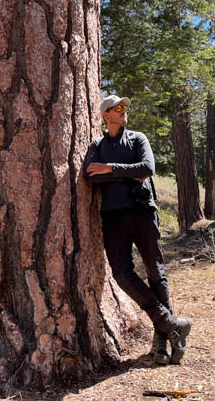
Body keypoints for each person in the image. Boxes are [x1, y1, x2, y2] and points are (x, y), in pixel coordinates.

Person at [84, 94, 191, 365]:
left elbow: (147, 168)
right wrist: (127, 172)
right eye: (117, 108)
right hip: (112, 216)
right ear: (105, 115)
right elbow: (88, 174)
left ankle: (161, 342)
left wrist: (110, 169)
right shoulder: (97, 144)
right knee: (121, 273)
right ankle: (171, 323)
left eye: (125, 107)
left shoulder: (138, 139)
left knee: (155, 271)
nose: (123, 111)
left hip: (143, 211)